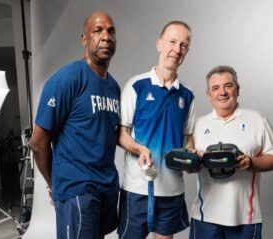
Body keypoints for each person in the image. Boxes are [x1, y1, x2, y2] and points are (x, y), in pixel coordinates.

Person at [29, 11, 120, 239]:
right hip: (77, 187)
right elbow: (38, 143)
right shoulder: (67, 79)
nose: (106, 36)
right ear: (84, 39)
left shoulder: (114, 87)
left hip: (107, 186)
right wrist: (56, 185)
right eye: (98, 30)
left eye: (111, 31)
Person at [117, 21, 196, 239]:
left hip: (172, 190)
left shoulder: (188, 95)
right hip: (137, 189)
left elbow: (188, 139)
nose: (177, 49)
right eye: (172, 42)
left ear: (186, 52)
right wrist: (140, 149)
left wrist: (191, 157)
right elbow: (121, 135)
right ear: (159, 44)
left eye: (183, 45)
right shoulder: (136, 86)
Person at [187, 65, 273, 239]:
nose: (222, 92)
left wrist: (250, 163)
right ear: (209, 95)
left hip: (246, 217)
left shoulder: (257, 120)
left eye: (228, 86)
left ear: (237, 90)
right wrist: (194, 161)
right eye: (215, 88)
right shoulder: (197, 125)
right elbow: (188, 164)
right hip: (204, 216)